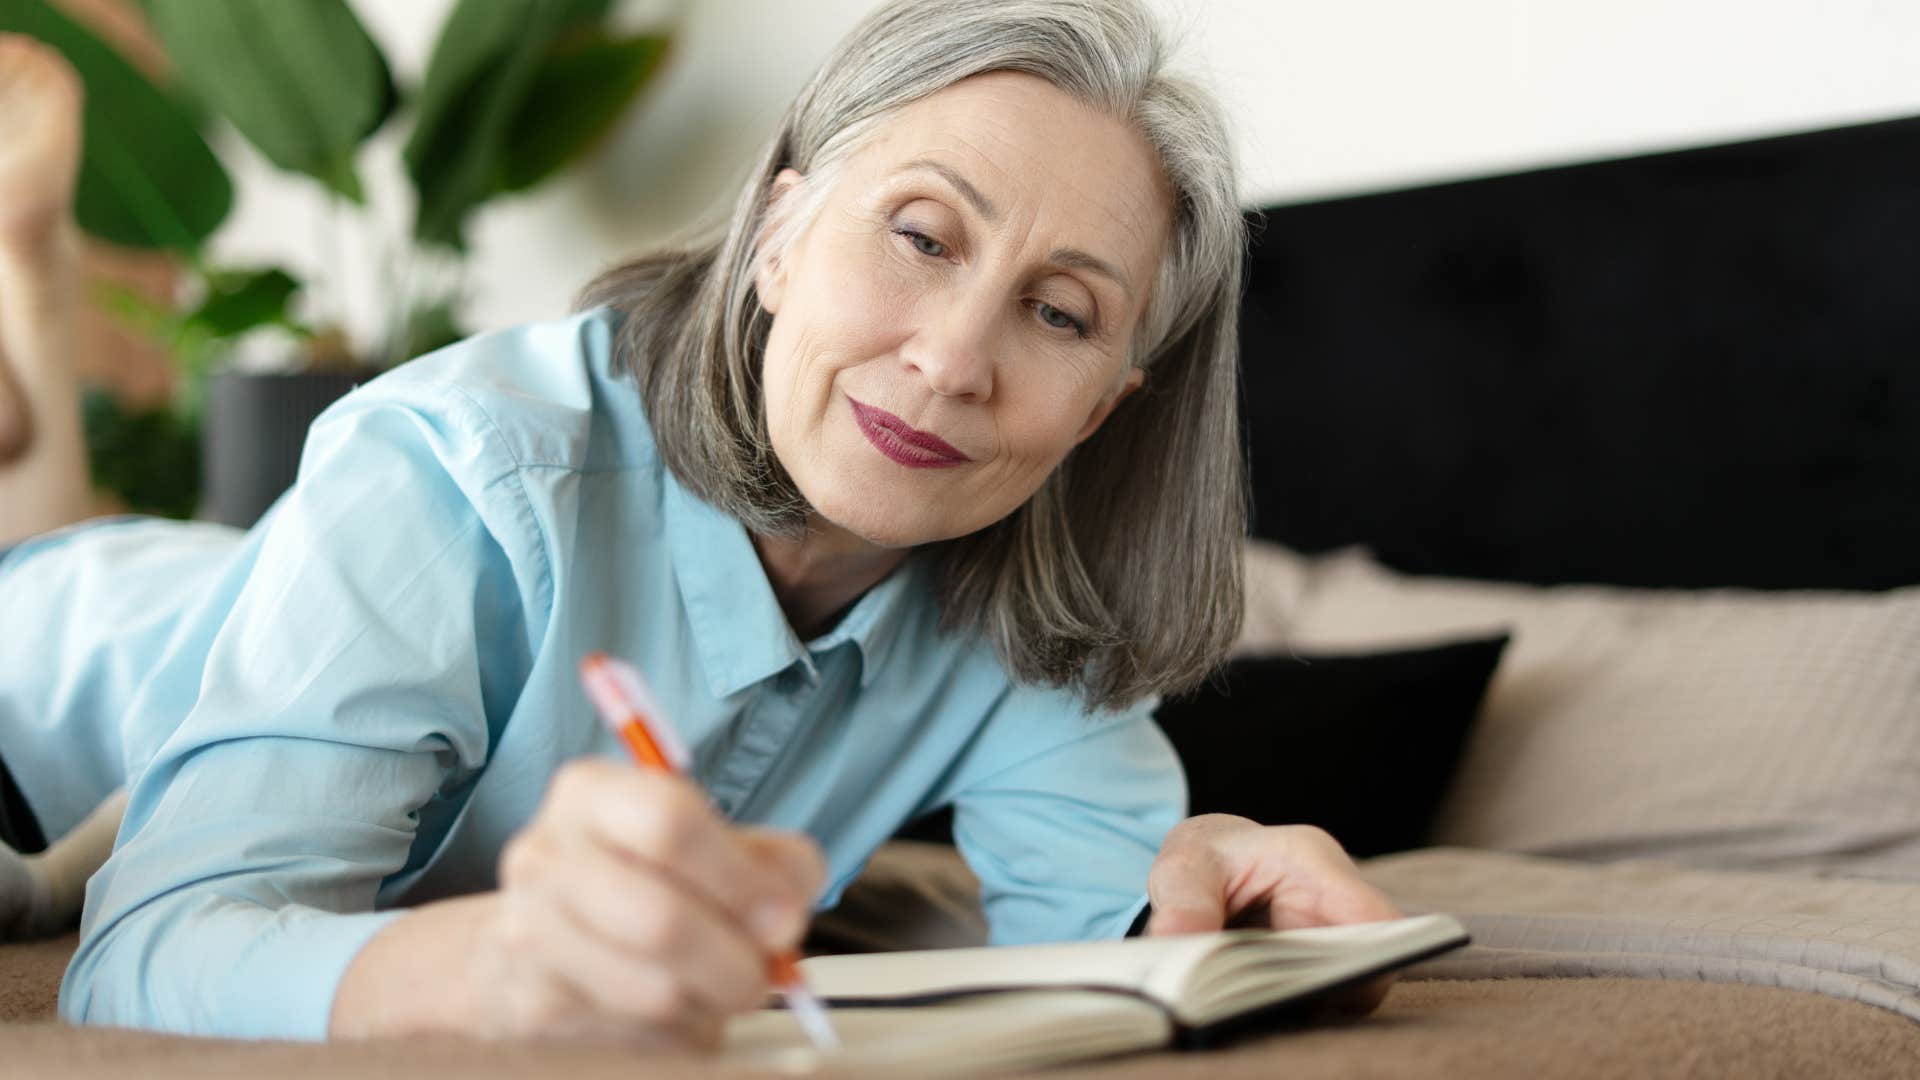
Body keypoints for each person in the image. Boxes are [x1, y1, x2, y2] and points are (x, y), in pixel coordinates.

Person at [0, 0, 1402, 1049]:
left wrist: (1217, 909)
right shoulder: (460, 468)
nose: (955, 360)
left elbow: (1104, 945)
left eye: (1060, 313)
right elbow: (144, 955)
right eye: (921, 235)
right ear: (781, 234)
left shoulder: (1022, 606)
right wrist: (490, 976)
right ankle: (31, 288)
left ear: (1102, 409)